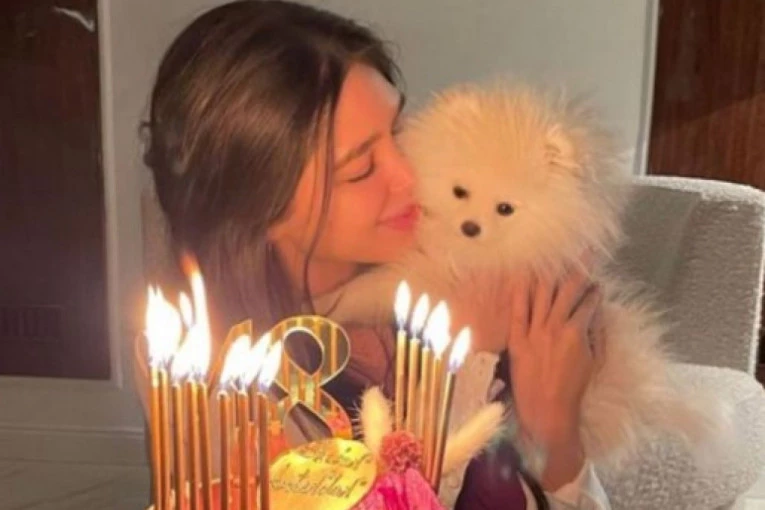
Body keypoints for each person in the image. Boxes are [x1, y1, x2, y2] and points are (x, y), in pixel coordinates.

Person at [136, 1, 611, 508]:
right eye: (360, 169)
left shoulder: (475, 272)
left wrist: (559, 438)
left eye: (398, 131)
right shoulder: (215, 384)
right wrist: (469, 362)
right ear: (258, 207)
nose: (407, 176)